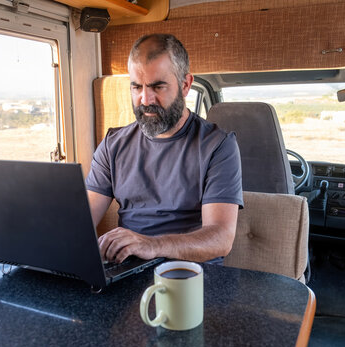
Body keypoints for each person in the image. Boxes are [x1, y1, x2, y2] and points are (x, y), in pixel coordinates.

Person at [86, 34, 243, 264]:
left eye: (157, 86)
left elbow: (221, 238)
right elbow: (83, 220)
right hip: (126, 272)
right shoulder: (113, 144)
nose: (145, 99)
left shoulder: (218, 145)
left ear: (185, 85)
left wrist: (152, 245)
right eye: (136, 87)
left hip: (190, 274)